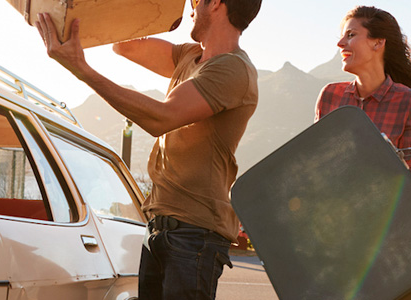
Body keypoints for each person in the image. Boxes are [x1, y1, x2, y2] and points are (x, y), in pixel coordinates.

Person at [34, 0, 262, 298]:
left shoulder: (234, 70)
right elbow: (124, 46)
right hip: (159, 224)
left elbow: (162, 117)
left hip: (195, 233)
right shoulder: (190, 55)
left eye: (194, 1)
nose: (189, 7)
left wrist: (81, 70)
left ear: (216, 2)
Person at [315, 5, 411, 179]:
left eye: (351, 35)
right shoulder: (330, 95)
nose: (340, 44)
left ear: (378, 42)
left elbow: (410, 178)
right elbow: (315, 158)